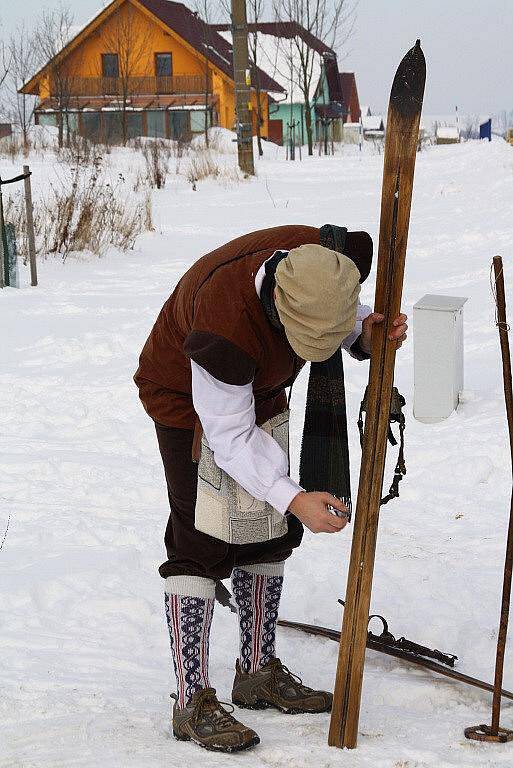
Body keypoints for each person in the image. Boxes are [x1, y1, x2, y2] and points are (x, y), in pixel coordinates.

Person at [134, 224, 407, 753]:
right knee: (203, 538)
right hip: (188, 400)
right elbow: (230, 438)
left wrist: (366, 337)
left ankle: (256, 672)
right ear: (278, 312)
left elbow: (339, 315)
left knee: (269, 531)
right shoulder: (224, 327)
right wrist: (294, 495)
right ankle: (191, 699)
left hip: (260, 386)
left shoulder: (319, 263)